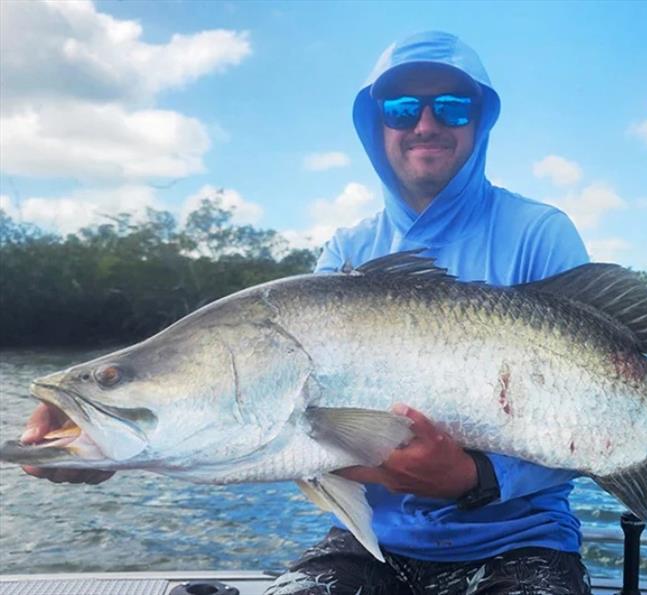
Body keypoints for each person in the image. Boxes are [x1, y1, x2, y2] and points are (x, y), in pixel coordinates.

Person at [21, 31, 593, 594]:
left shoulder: (539, 233)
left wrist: (475, 479)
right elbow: (282, 434)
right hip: (378, 544)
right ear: (375, 125)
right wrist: (113, 456)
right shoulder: (345, 252)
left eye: (451, 105)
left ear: (480, 119)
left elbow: (601, 414)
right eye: (400, 107)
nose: (425, 124)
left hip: (524, 540)